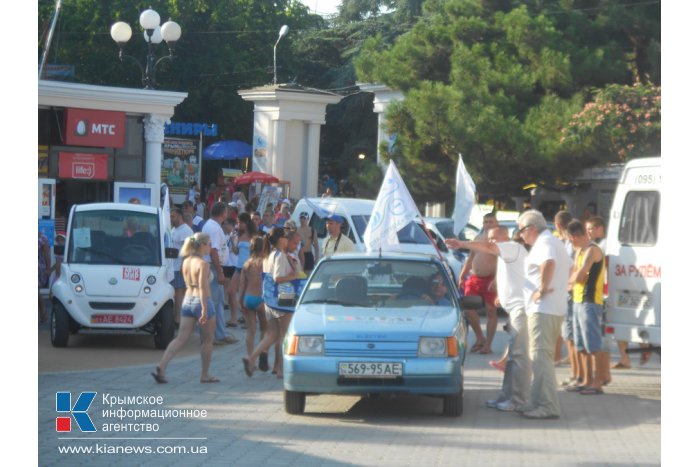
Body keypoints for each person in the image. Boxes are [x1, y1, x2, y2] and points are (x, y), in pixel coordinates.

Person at [447, 226, 531, 412]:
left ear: (506, 236)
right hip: (513, 309)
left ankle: (518, 401)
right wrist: (502, 295)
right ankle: (506, 396)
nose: (491, 241)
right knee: (511, 359)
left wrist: (461, 243)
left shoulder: (511, 247)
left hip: (521, 310)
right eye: (489, 237)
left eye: (495, 238)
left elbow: (489, 248)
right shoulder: (504, 253)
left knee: (518, 358)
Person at [517, 209, 571, 419]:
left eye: (521, 231)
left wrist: (542, 288)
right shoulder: (552, 241)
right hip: (549, 308)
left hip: (544, 309)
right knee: (539, 356)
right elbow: (569, 267)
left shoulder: (545, 242)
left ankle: (548, 405)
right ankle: (536, 401)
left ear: (531, 229)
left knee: (541, 357)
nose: (520, 235)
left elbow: (549, 262)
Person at [152, 232, 219, 384]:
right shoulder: (203, 264)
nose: (210, 247)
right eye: (209, 244)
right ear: (202, 245)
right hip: (202, 300)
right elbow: (202, 287)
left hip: (188, 300)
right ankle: (205, 374)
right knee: (207, 340)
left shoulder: (186, 261)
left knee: (181, 338)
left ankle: (162, 365)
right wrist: (204, 309)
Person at [242, 227, 301, 379]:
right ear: (281, 239)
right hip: (284, 296)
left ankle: (251, 358)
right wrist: (294, 275)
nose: (287, 240)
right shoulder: (280, 255)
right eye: (285, 238)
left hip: (269, 298)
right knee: (284, 334)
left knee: (272, 334)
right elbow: (278, 278)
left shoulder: (269, 255)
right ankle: (281, 369)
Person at [565, 219, 606, 395]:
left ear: (575, 236)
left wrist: (569, 281)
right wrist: (570, 281)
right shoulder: (580, 251)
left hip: (590, 302)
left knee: (593, 345)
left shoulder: (592, 250)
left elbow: (580, 276)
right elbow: (572, 272)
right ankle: (586, 379)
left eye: (569, 239)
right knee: (581, 345)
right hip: (577, 300)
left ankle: (597, 383)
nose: (569, 242)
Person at [459, 213, 499, 354]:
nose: (488, 224)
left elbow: (504, 263)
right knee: (468, 308)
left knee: (491, 311)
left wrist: (497, 279)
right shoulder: (478, 238)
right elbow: (470, 258)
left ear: (496, 224)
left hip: (491, 279)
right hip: (475, 279)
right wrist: (462, 275)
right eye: (486, 222)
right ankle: (480, 337)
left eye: (491, 222)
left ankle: (488, 345)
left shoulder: (499, 242)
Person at [201, 202, 237, 345]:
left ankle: (219, 334)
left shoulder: (211, 225)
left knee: (218, 303)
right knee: (213, 303)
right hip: (213, 268)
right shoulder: (214, 228)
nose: (227, 214)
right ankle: (209, 335)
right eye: (226, 211)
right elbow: (213, 251)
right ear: (223, 213)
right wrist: (220, 272)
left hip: (213, 267)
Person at [554, 210, 580, 386]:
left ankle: (577, 373)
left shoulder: (569, 245)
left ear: (557, 225)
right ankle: (574, 371)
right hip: (568, 291)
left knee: (571, 334)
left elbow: (573, 268)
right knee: (567, 332)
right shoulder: (567, 244)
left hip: (570, 291)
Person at [238, 236, 269, 371]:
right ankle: (262, 354)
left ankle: (251, 360)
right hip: (261, 299)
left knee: (251, 331)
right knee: (265, 330)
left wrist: (240, 301)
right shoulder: (266, 263)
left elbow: (241, 286)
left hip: (248, 298)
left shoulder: (247, 264)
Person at [170, 207, 194, 327]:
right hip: (172, 267)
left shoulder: (186, 230)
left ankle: (178, 320)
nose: (171, 219)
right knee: (175, 294)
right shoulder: (174, 229)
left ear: (179, 216)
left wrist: (184, 265)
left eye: (173, 216)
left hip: (179, 267)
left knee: (179, 294)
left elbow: (188, 249)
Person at [38, 231, 51, 323]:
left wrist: (48, 268)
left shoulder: (43, 239)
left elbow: (47, 255)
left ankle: (43, 311)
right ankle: (43, 312)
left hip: (38, 269)